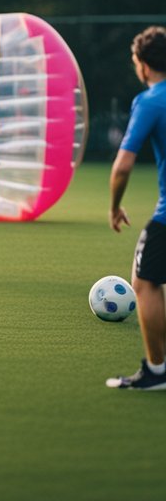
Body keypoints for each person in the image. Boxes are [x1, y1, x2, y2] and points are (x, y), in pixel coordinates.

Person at [107, 26, 166, 391]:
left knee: (144, 285)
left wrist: (114, 207)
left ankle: (157, 371)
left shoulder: (151, 100)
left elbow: (123, 166)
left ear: (143, 65)